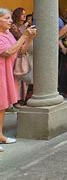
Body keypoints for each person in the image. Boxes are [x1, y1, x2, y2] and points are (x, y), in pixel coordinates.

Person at [0, 8, 36, 151]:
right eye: (7, 18)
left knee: (2, 106)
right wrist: (24, 36)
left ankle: (0, 135)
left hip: (6, 73)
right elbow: (7, 52)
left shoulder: (7, 33)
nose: (10, 21)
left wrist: (30, 37)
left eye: (10, 18)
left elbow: (20, 50)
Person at [10, 7, 31, 106]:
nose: (24, 16)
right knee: (16, 76)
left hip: (24, 52)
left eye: (25, 14)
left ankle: (21, 99)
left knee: (23, 76)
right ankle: (14, 100)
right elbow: (20, 37)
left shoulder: (24, 26)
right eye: (22, 14)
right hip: (16, 53)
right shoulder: (13, 26)